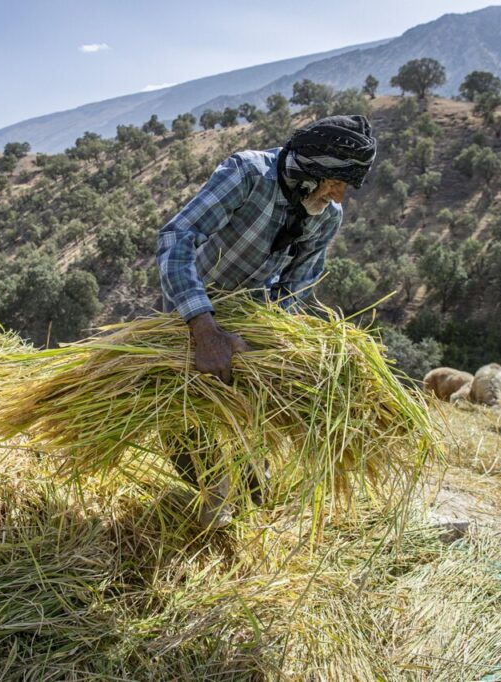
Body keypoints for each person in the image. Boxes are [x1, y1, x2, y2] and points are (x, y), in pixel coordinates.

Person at [156, 114, 376, 528]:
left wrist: (273, 343)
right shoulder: (247, 173)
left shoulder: (326, 216)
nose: (338, 196)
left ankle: (253, 491)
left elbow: (297, 287)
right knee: (183, 416)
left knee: (250, 424)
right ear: (309, 170)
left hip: (251, 320)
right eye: (334, 182)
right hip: (193, 306)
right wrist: (204, 329)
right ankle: (208, 492)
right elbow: (176, 238)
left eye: (345, 187)